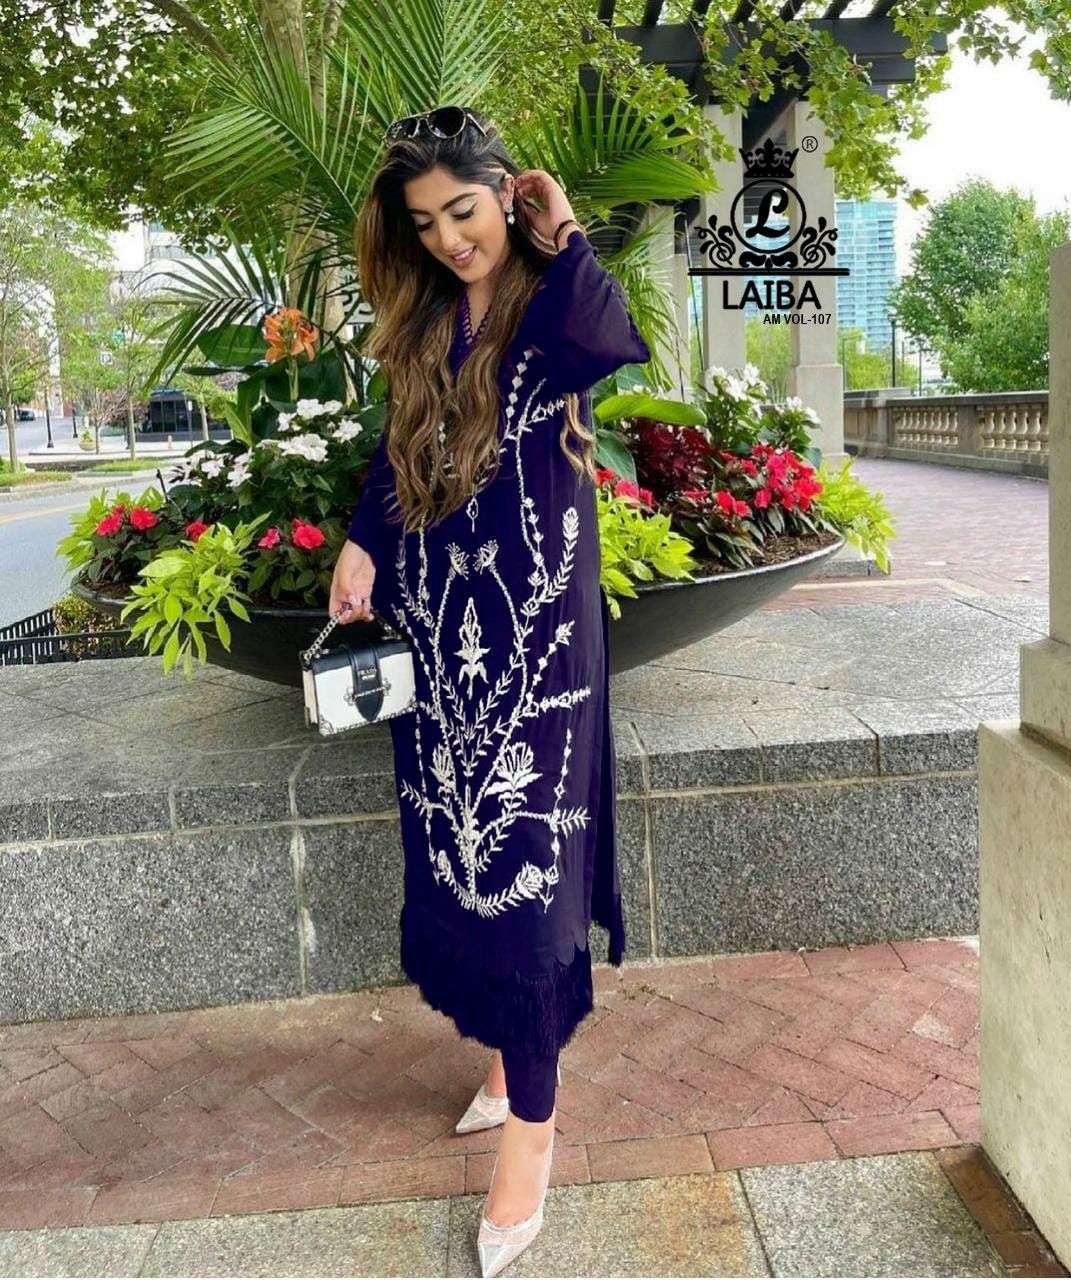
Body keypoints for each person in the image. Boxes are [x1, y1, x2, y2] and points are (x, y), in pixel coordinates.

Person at [329, 104, 651, 1277]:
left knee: (528, 868)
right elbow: (396, 453)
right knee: (458, 843)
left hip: (535, 632)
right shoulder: (428, 320)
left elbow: (612, 339)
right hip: (438, 629)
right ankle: (513, 1059)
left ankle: (534, 1127)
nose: (448, 238)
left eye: (462, 210)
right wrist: (362, 542)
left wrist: (560, 232)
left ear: (503, 193)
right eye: (424, 223)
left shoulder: (551, 300)